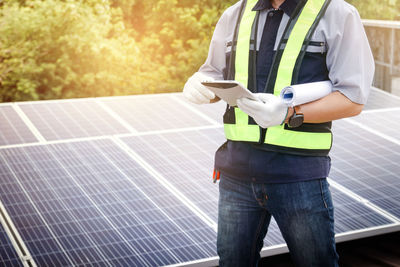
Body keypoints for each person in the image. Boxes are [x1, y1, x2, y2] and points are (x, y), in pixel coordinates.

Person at [183, 0, 374, 266]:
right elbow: (213, 74)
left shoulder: (337, 14)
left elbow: (353, 99)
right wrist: (201, 84)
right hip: (236, 177)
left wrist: (288, 114)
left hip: (298, 178)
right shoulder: (234, 15)